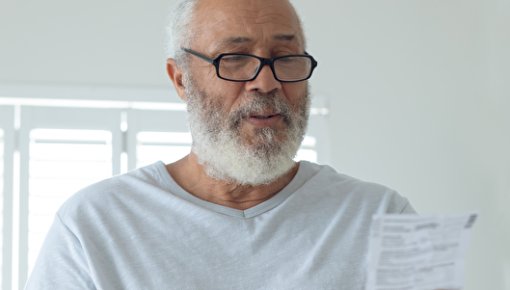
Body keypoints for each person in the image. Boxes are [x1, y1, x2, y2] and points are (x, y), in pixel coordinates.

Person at [25, 0, 415, 289]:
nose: (266, 82)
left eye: (286, 56)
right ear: (180, 79)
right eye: (235, 58)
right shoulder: (93, 225)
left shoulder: (384, 218)